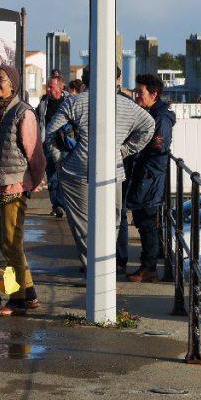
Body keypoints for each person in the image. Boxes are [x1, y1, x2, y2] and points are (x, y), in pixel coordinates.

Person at [45, 67, 154, 272]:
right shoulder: (126, 105)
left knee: (82, 223)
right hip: (114, 169)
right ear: (116, 79)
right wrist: (125, 149)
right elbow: (149, 125)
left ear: (84, 80)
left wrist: (59, 160)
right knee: (111, 222)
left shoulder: (74, 102)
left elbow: (50, 132)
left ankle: (91, 268)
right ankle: (106, 266)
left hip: (76, 171)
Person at [0, 65, 45, 315]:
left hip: (15, 185)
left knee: (11, 243)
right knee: (5, 242)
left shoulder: (23, 113)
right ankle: (27, 292)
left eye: (0, 79)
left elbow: (35, 153)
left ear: (13, 84)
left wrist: (36, 180)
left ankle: (17, 297)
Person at [124, 74, 176, 282]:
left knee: (147, 221)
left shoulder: (160, 118)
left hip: (151, 175)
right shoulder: (151, 113)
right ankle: (148, 265)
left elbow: (158, 146)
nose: (137, 96)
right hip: (145, 173)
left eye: (141, 92)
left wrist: (137, 148)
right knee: (142, 219)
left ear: (154, 94)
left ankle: (149, 268)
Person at [36, 74, 67, 218]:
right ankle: (57, 205)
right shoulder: (43, 103)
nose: (48, 89)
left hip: (65, 146)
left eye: (51, 87)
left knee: (65, 177)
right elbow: (37, 121)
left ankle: (64, 203)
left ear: (60, 88)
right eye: (48, 86)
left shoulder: (69, 101)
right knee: (52, 178)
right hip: (48, 145)